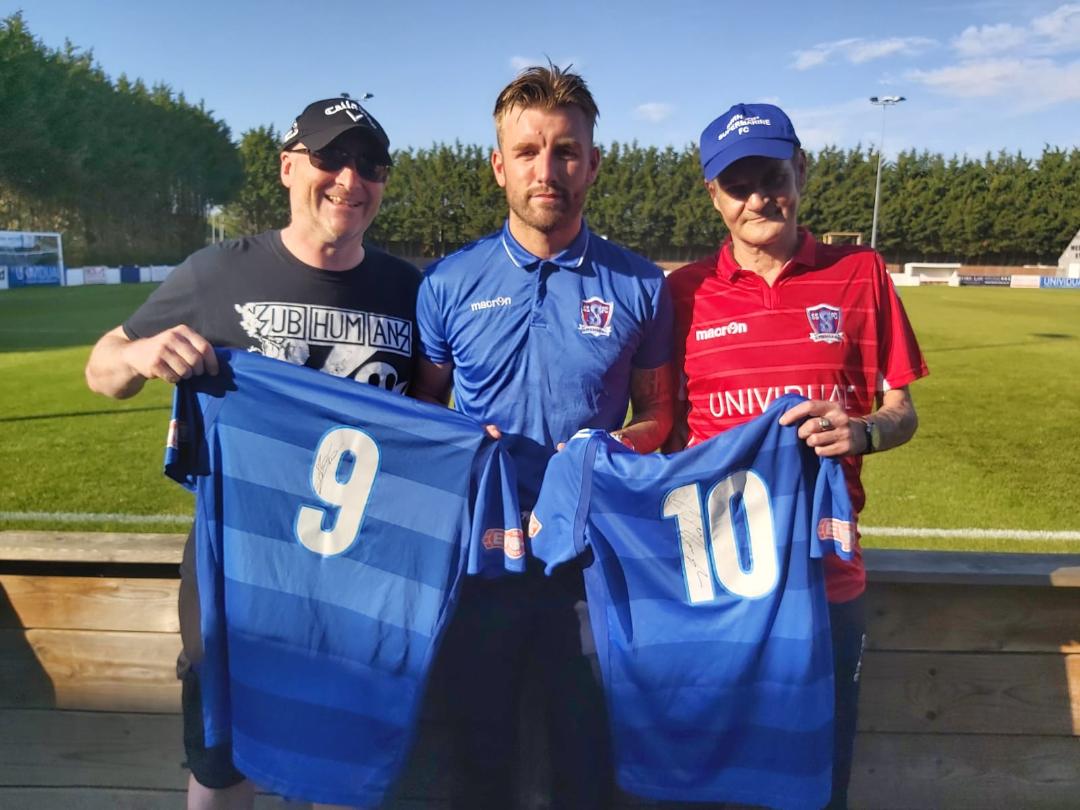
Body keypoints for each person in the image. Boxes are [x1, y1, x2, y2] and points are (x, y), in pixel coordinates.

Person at [85, 94, 419, 810]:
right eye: (331, 159)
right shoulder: (218, 273)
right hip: (239, 570)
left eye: (371, 166)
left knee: (344, 765)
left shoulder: (410, 291)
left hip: (360, 578)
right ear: (288, 167)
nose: (350, 181)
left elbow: (432, 426)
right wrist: (142, 352)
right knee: (221, 767)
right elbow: (101, 369)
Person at [412, 64, 675, 809]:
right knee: (478, 754)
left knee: (588, 760)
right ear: (499, 165)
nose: (547, 169)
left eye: (566, 151)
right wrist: (463, 439)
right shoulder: (447, 283)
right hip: (479, 560)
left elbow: (661, 415)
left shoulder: (640, 286)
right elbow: (420, 408)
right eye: (527, 151)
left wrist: (608, 449)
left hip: (589, 564)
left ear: (593, 162)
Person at [665, 102, 928, 809]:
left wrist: (864, 431)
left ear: (801, 171)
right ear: (713, 194)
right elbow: (662, 431)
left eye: (773, 175)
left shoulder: (862, 274)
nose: (759, 198)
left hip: (826, 571)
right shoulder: (681, 293)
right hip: (713, 578)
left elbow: (903, 411)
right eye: (738, 183)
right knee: (710, 773)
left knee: (817, 775)